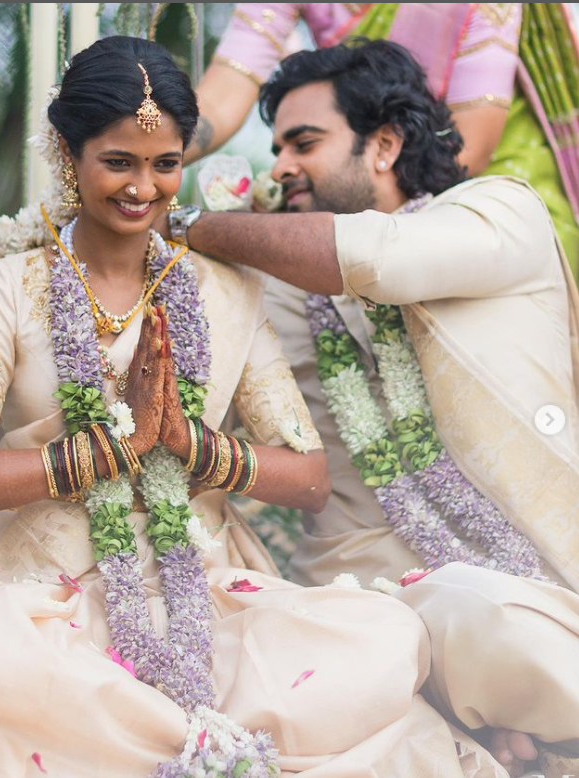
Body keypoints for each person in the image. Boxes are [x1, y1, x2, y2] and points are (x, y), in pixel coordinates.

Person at [0, 32, 579, 778]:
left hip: (463, 585)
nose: (143, 187)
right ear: (69, 156)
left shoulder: (487, 216)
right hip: (54, 582)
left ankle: (175, 737)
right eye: (117, 161)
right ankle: (202, 741)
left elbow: (313, 451)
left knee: (422, 634)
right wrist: (108, 448)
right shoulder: (17, 288)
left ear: (383, 145)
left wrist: (192, 442)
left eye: (166, 165)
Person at [161, 38, 579, 596]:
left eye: (303, 144)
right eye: (278, 149)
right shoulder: (276, 292)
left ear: (383, 144)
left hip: (529, 577)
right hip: (350, 600)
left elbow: (370, 257)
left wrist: (189, 224)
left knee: (483, 613)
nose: (282, 167)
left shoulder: (500, 213)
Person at [187, 2, 579, 274]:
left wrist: (196, 227)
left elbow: (466, 148)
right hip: (361, 178)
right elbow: (220, 103)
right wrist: (151, 154)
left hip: (477, 177)